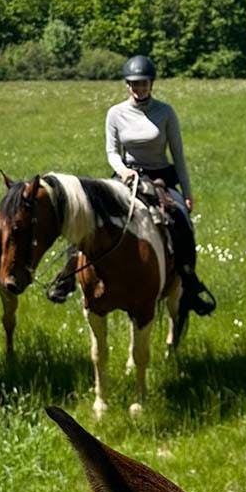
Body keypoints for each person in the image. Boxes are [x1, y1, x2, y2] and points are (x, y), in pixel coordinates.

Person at [45, 54, 216, 316]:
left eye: (144, 83)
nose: (139, 88)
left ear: (151, 84)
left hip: (160, 177)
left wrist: (187, 193)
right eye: (135, 83)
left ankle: (189, 281)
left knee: (180, 218)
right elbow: (112, 151)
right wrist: (123, 170)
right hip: (126, 176)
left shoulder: (166, 112)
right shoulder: (115, 113)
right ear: (127, 85)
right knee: (90, 216)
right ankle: (68, 275)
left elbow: (178, 155)